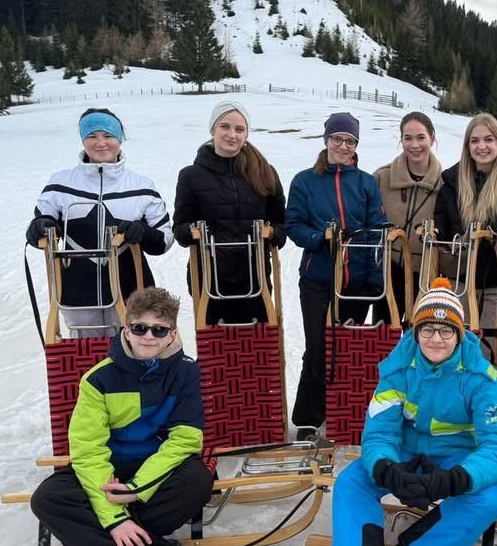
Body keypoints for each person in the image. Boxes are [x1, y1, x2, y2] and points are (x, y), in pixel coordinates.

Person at [300, 278, 497, 546]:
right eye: (428, 329)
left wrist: (454, 479)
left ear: (460, 333)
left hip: (455, 457)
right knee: (352, 482)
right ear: (416, 332)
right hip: (406, 450)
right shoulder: (398, 368)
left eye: (446, 330)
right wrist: (387, 469)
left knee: (486, 501)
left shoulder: (481, 377)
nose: (436, 339)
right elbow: (379, 431)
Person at [30, 287, 213, 546]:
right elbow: (88, 452)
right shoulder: (97, 380)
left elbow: (184, 441)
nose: (149, 336)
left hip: (156, 469)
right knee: (48, 498)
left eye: (159, 330)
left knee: (197, 482)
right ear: (126, 330)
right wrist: (115, 519)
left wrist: (136, 489)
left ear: (172, 334)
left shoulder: (186, 372)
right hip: (109, 470)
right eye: (140, 328)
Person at [26, 108, 173, 337]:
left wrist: (142, 232)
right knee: (86, 351)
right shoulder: (60, 184)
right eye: (92, 136)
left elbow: (164, 240)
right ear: (83, 140)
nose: (100, 143)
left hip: (130, 290)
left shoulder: (142, 186)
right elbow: (40, 224)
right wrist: (41, 226)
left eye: (108, 135)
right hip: (77, 290)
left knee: (131, 349)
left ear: (120, 139)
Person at [285, 112, 386, 434]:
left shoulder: (366, 182)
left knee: (347, 347)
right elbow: (293, 225)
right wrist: (319, 238)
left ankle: (345, 412)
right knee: (317, 347)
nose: (343, 146)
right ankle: (308, 418)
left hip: (355, 281)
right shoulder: (304, 181)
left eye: (350, 141)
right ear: (327, 139)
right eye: (337, 139)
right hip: (317, 278)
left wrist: (373, 277)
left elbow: (376, 230)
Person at [172, 101, 287, 326]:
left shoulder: (264, 172)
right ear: (213, 129)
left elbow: (280, 223)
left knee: (258, 340)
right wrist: (191, 232)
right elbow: (180, 228)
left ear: (246, 134)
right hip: (209, 277)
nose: (232, 135)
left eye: (239, 129)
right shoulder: (191, 176)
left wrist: (273, 233)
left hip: (255, 276)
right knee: (215, 341)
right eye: (224, 126)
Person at [433, 113, 497, 363]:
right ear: (467, 146)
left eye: (488, 140)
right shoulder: (452, 183)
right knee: (451, 354)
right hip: (458, 282)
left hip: (496, 282)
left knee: (489, 356)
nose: (481, 146)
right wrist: (435, 233)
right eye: (475, 141)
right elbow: (442, 224)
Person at [372, 111, 443, 325]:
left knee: (421, 337)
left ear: (432, 138)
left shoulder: (446, 185)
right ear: (401, 140)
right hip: (388, 273)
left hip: (426, 276)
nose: (415, 145)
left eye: (421, 137)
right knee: (385, 336)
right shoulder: (382, 178)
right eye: (408, 138)